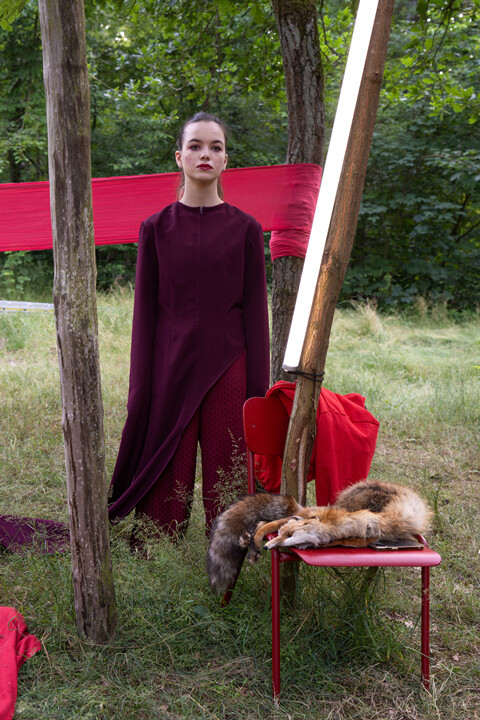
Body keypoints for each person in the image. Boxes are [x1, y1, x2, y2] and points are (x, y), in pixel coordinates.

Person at [108, 112, 270, 539]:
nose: (205, 154)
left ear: (225, 160)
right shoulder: (155, 229)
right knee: (165, 484)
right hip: (170, 367)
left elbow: (256, 316)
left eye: (215, 147)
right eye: (195, 146)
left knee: (229, 470)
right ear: (179, 157)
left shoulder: (247, 229)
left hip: (228, 368)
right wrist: (141, 388)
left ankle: (233, 549)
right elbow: (145, 316)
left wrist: (258, 394)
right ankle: (159, 551)